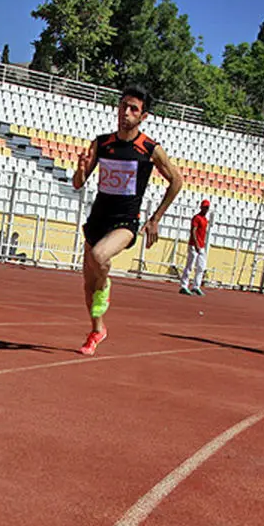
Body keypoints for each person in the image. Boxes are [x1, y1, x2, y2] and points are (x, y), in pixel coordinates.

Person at [71, 86, 183, 355]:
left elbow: (177, 181)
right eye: (123, 106)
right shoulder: (102, 143)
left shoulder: (149, 149)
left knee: (99, 258)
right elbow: (78, 184)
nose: (126, 113)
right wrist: (81, 169)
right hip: (97, 219)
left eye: (133, 109)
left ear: (143, 116)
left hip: (125, 223)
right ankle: (97, 330)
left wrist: (155, 219)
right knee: (88, 286)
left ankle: (106, 281)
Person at [180, 199, 210, 296]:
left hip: (201, 245)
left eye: (207, 208)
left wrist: (201, 244)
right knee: (190, 265)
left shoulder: (205, 220)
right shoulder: (196, 218)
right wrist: (196, 243)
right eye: (205, 207)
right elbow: (193, 231)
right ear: (201, 207)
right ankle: (184, 285)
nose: (206, 209)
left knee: (201, 266)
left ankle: (196, 286)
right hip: (194, 244)